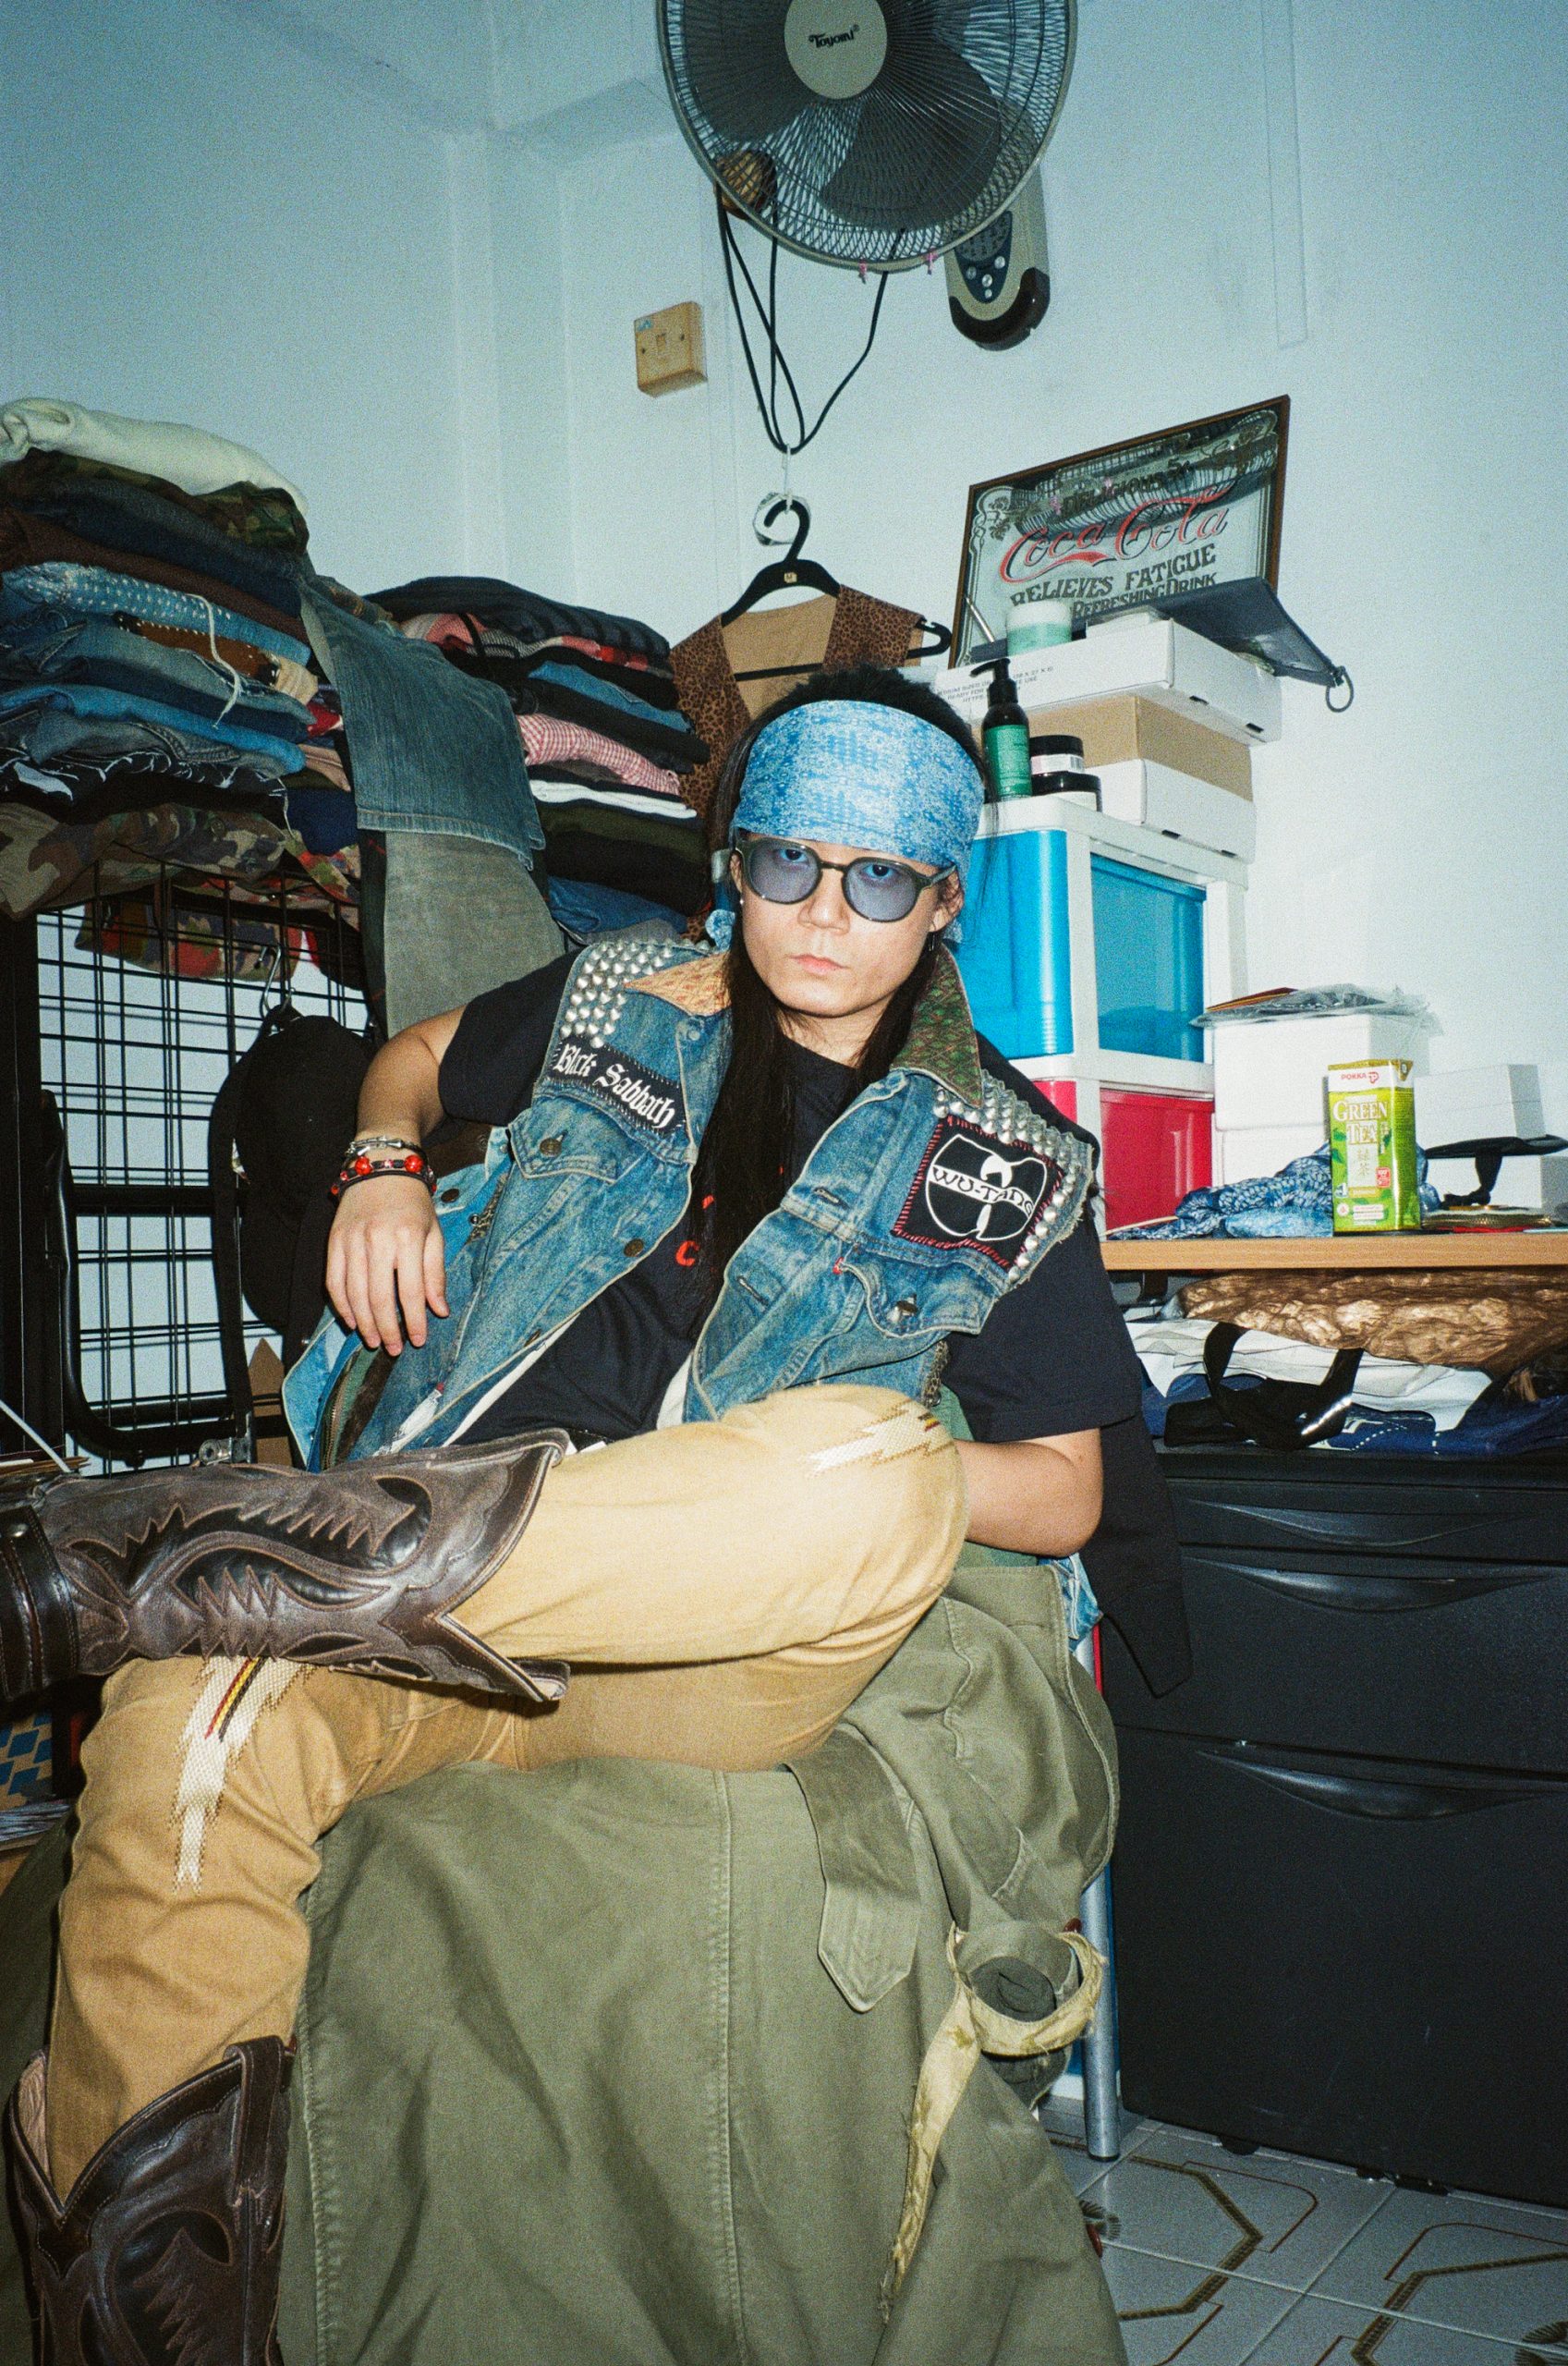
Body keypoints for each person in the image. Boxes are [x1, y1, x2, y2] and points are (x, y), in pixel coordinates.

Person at [0, 664, 1161, 2362]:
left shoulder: (1001, 1159)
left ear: (942, 902)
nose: (824, 916)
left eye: (881, 878)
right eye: (788, 865)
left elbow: (1067, 1496)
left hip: (698, 1651)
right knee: (188, 1715)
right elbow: (405, 1060)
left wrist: (841, 1462)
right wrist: (382, 1166)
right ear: (734, 859)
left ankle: (153, 1560)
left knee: (873, 1463)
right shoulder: (623, 990)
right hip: (415, 1633)